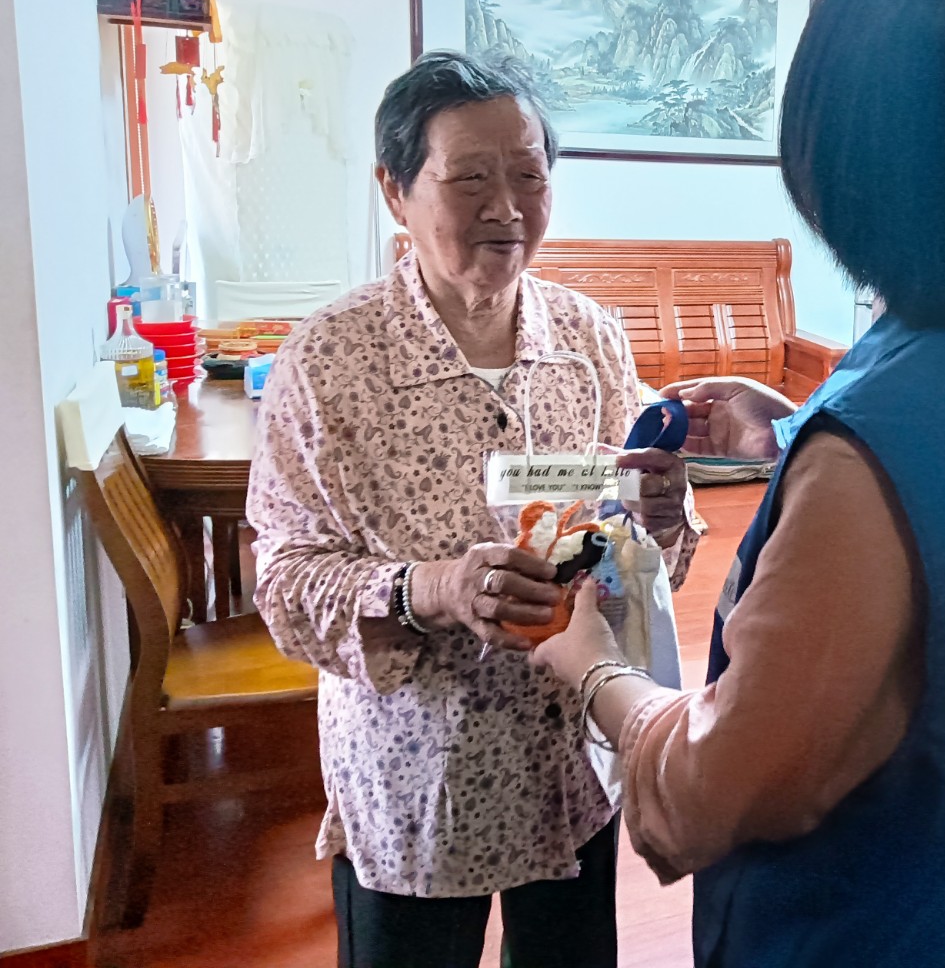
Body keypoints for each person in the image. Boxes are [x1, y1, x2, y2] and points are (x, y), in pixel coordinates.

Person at [535, 0, 945, 968]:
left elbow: (709, 796)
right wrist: (800, 433)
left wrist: (592, 667)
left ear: (861, 160)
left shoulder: (877, 454)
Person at [248, 51, 695, 968]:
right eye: (471, 179)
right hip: (415, 776)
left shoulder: (589, 337)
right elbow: (287, 580)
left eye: (529, 175)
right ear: (396, 191)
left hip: (569, 759)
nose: (508, 207)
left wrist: (658, 514)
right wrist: (436, 590)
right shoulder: (330, 361)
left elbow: (640, 546)